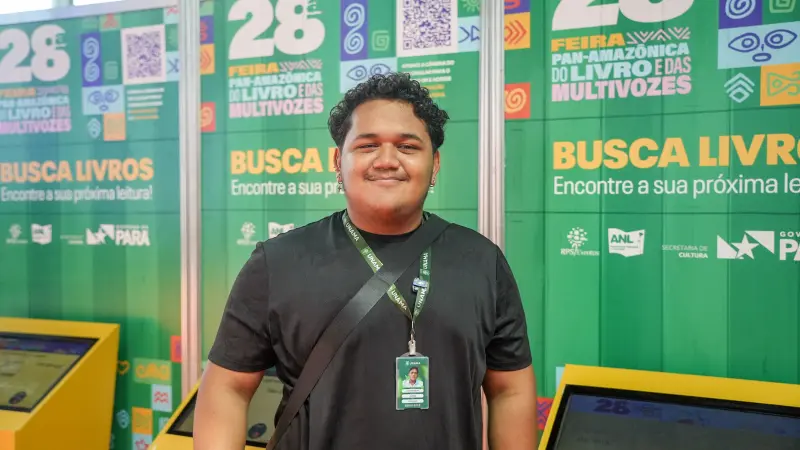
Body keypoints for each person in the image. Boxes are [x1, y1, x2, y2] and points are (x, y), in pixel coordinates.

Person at [194, 72, 538, 450]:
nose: (387, 160)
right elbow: (227, 387)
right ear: (338, 161)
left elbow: (510, 390)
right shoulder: (277, 263)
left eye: (408, 147)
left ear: (435, 164)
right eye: (367, 146)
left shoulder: (481, 262)